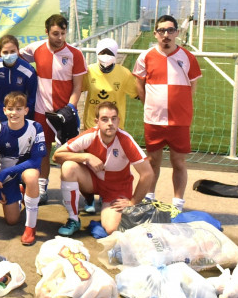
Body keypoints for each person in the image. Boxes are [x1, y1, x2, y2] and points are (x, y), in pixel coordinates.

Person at [52, 101, 154, 235]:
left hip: (116, 189)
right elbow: (57, 155)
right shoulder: (89, 135)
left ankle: (104, 205)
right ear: (97, 121)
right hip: (93, 181)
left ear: (118, 120)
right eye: (104, 119)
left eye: (113, 118)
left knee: (111, 228)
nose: (110, 123)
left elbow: (148, 174)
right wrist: (86, 157)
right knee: (68, 167)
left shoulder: (126, 140)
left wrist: (133, 202)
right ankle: (73, 219)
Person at [133, 15, 201, 211]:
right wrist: (149, 104)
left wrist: (182, 105)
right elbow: (139, 82)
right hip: (154, 119)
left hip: (179, 120)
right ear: (155, 34)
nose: (166, 34)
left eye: (170, 30)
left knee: (178, 162)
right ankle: (149, 199)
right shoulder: (145, 56)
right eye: (161, 30)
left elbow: (193, 85)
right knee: (152, 161)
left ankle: (178, 203)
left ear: (177, 33)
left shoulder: (188, 58)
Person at [20, 14, 87, 204]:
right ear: (46, 31)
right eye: (55, 33)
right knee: (43, 151)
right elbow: (11, 53)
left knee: (68, 154)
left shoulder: (75, 54)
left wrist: (70, 108)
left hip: (64, 114)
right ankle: (42, 188)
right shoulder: (36, 48)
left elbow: (77, 87)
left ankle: (70, 191)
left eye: (63, 33)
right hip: (42, 112)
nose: (60, 38)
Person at [81, 38, 137, 213]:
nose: (106, 56)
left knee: (110, 167)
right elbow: (76, 89)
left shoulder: (124, 74)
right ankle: (88, 198)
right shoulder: (88, 72)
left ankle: (106, 194)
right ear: (97, 53)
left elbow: (137, 94)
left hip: (114, 130)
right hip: (92, 127)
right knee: (88, 166)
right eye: (103, 52)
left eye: (110, 53)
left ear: (116, 54)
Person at [0, 91, 46, 245]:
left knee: (32, 177)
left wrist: (6, 172)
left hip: (23, 171)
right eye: (10, 109)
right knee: (12, 220)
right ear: (4, 110)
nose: (14, 113)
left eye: (19, 109)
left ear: (26, 110)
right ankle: (22, 193)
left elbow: (35, 161)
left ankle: (30, 227)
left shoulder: (36, 127)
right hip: (6, 176)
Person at [0, 34, 37, 126]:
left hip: (22, 114)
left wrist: (25, 114)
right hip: (3, 112)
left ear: (18, 51)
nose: (9, 55)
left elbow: (32, 97)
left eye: (12, 52)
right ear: (0, 52)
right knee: (2, 138)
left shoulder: (28, 71)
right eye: (5, 52)